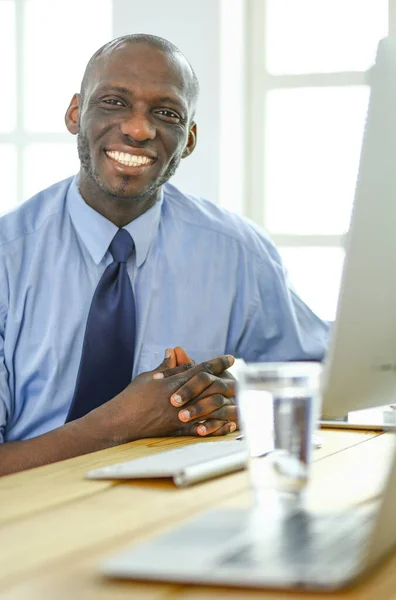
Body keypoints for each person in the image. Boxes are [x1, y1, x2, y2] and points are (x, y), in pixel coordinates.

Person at [0, 34, 329, 475]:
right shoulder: (9, 256)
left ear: (189, 138)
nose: (138, 129)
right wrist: (119, 425)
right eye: (114, 102)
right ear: (75, 114)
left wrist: (237, 402)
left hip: (182, 516)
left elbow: (320, 382)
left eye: (166, 113)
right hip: (29, 522)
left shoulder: (238, 253)